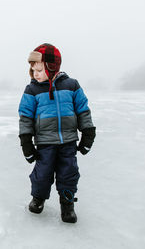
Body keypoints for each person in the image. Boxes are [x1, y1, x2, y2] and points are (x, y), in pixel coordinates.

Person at [18, 43, 96, 223]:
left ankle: (67, 204)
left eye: (39, 69)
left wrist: (88, 132)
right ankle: (38, 198)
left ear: (52, 67)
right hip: (45, 142)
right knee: (42, 173)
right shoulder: (32, 90)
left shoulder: (72, 85)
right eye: (32, 70)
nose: (35, 74)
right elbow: (25, 117)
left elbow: (83, 110)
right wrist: (26, 142)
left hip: (68, 141)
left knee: (69, 173)